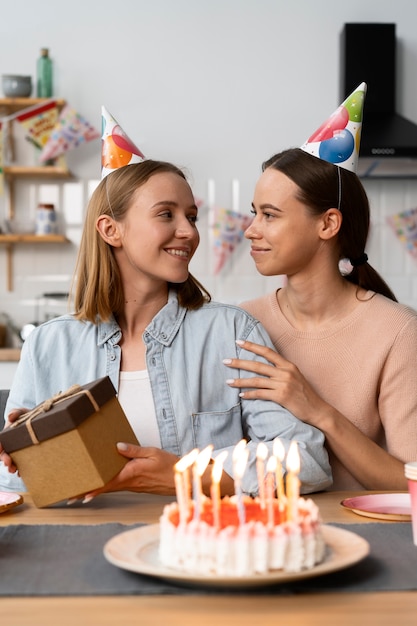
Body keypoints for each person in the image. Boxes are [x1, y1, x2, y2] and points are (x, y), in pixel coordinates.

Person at [0, 158, 332, 499]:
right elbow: (11, 489)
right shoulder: (48, 344)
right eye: (166, 214)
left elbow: (308, 461)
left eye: (191, 217)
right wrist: (31, 456)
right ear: (111, 230)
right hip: (79, 545)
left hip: (197, 542)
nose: (189, 231)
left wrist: (186, 474)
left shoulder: (231, 332)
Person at [223, 83, 417, 491]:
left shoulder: (398, 332)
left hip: (369, 540)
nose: (251, 230)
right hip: (266, 536)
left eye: (270, 215)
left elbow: (409, 483)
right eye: (254, 213)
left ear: (327, 224)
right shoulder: (242, 323)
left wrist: (317, 410)